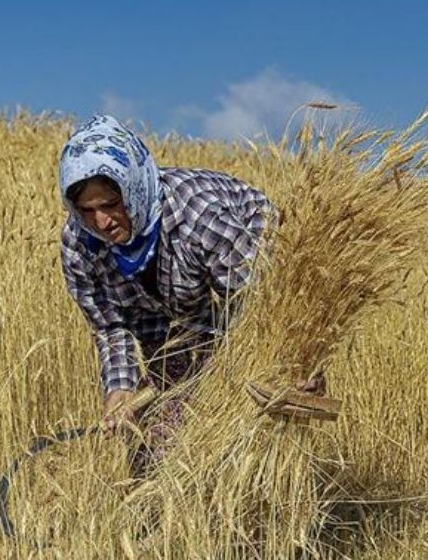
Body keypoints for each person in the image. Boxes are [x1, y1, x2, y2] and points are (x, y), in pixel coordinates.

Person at [58, 115, 277, 474]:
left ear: (134, 188)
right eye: (87, 210)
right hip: (159, 313)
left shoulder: (201, 219)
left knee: (224, 418)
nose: (102, 222)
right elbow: (111, 326)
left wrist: (276, 364)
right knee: (154, 433)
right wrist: (121, 388)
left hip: (236, 293)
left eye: (111, 204)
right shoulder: (79, 245)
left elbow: (260, 304)